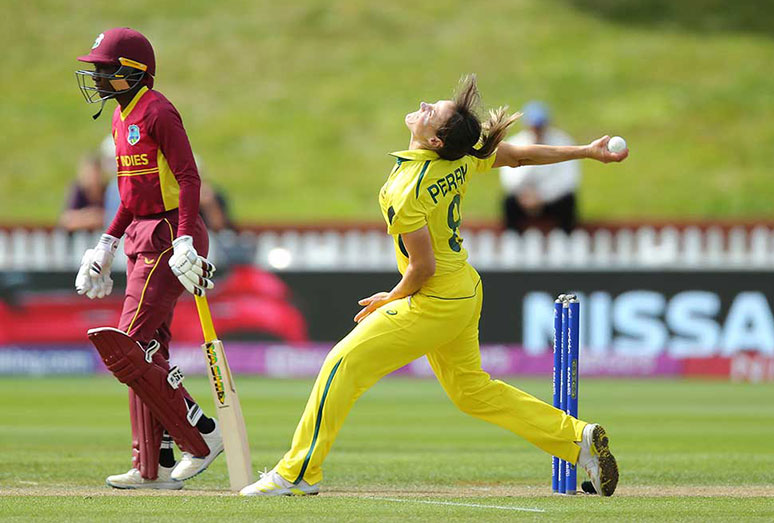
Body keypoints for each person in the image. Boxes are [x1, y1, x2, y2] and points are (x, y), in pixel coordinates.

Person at [240, 75, 627, 498]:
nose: (423, 105)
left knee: (339, 365)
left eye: (432, 112)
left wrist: (391, 297)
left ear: (438, 141)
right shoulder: (458, 159)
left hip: (436, 298)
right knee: (472, 393)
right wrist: (585, 152)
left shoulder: (404, 190)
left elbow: (421, 268)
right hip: (464, 289)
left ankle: (298, 473)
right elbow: (516, 157)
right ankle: (578, 440)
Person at [73, 27, 222, 490]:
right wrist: (106, 243)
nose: (96, 75)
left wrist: (184, 242)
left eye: (105, 68)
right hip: (140, 233)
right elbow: (130, 193)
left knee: (127, 347)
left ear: (134, 73)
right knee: (147, 351)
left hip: (168, 233)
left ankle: (201, 434)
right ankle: (150, 465)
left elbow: (189, 179)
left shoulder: (158, 111)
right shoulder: (119, 120)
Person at [500, 102, 581, 232]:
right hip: (523, 199)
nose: (537, 129)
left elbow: (568, 180)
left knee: (568, 201)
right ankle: (512, 239)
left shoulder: (563, 142)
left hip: (553, 199)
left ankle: (567, 237)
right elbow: (510, 181)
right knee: (508, 202)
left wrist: (542, 196)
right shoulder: (515, 143)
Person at [59, 153, 107, 232]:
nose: (93, 176)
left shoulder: (107, 189)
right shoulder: (78, 189)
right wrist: (89, 217)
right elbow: (66, 219)